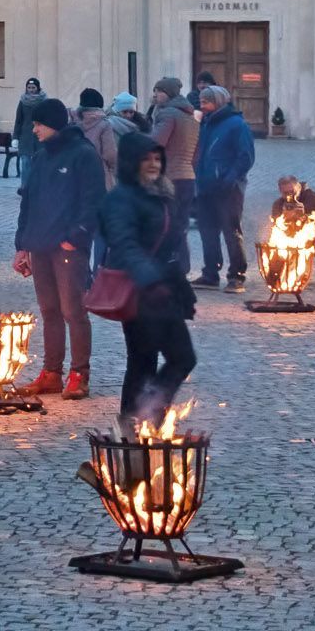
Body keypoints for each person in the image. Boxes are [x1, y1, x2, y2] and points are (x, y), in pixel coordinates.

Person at [100, 131, 198, 427]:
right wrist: (150, 280)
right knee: (152, 359)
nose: (154, 164)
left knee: (154, 359)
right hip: (141, 290)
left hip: (164, 286)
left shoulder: (159, 193)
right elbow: (123, 243)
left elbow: (171, 239)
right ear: (132, 162)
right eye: (146, 159)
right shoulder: (121, 199)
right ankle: (141, 418)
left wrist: (177, 280)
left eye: (157, 158)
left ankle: (139, 418)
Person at [11, 95, 104, 400]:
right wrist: (22, 245)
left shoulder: (83, 154)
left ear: (52, 124)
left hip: (68, 248)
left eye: (38, 124)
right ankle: (52, 372)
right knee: (49, 310)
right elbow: (28, 200)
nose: (34, 130)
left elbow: (93, 202)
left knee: (72, 310)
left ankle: (80, 374)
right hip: (39, 245)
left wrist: (75, 237)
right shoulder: (40, 157)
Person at [193, 84, 257, 291]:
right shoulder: (205, 123)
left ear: (218, 102)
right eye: (201, 101)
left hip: (228, 188)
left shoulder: (236, 124)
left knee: (231, 231)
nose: (202, 105)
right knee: (207, 231)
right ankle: (210, 273)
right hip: (205, 186)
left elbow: (245, 156)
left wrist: (229, 179)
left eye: (206, 101)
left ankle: (236, 275)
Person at [146, 78, 200, 271]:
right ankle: (182, 266)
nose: (154, 95)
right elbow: (196, 152)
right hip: (188, 177)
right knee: (180, 225)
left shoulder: (168, 114)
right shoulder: (190, 116)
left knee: (166, 224)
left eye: (158, 91)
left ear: (167, 94)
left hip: (170, 178)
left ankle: (169, 266)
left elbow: (156, 142)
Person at [9, 76, 49, 181]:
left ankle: (39, 188)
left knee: (40, 163)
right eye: (29, 87)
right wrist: (15, 137)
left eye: (33, 87)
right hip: (25, 137)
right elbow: (18, 121)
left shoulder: (44, 102)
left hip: (40, 137)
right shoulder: (23, 102)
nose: (31, 90)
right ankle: (25, 189)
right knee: (25, 163)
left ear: (38, 88)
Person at [76, 89, 121, 182]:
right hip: (99, 173)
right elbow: (110, 154)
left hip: (78, 174)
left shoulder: (75, 124)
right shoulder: (104, 125)